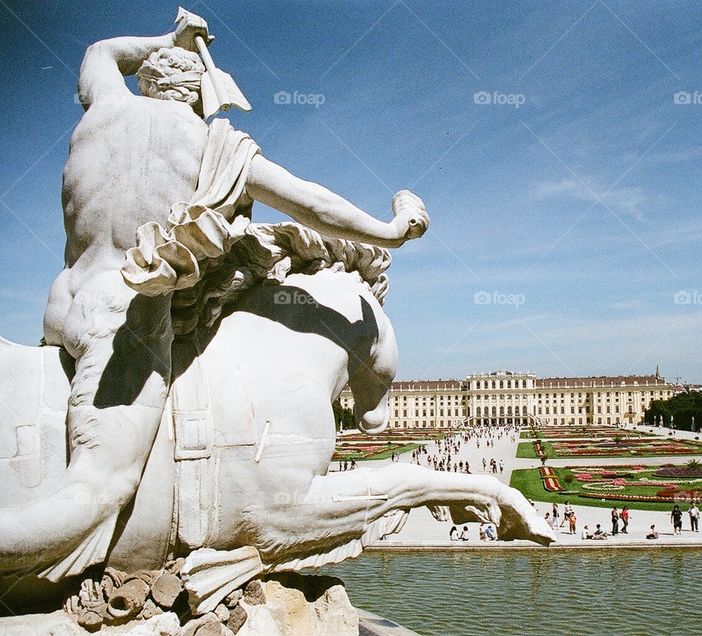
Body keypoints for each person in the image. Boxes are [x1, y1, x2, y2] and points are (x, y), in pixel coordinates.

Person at [6, 10, 430, 579]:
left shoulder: (105, 109)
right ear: (198, 95)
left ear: (149, 80)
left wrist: (167, 39)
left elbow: (101, 53)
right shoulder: (214, 147)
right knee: (96, 491)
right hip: (123, 318)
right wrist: (388, 232)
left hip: (64, 304)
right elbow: (313, 206)